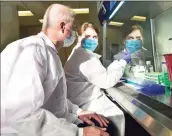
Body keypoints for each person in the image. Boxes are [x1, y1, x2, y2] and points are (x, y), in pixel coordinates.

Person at [1, 4, 110, 136]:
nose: (74, 34)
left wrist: (78, 112)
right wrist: (80, 132)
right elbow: (23, 116)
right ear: (63, 27)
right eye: (73, 28)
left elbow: (55, 99)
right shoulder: (33, 50)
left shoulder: (49, 53)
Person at [64, 22, 131, 136]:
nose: (92, 40)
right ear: (79, 37)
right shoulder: (84, 55)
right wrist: (122, 61)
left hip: (80, 104)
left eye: (94, 37)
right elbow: (106, 81)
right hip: (86, 106)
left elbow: (98, 74)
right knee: (118, 122)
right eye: (87, 36)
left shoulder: (79, 52)